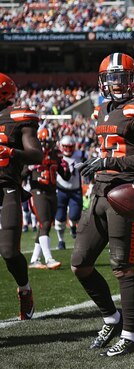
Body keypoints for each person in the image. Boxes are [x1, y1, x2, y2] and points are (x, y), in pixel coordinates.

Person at [71, 53, 134, 357]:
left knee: (122, 268)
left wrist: (110, 161)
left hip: (122, 195)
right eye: (112, 78)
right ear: (103, 82)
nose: (118, 84)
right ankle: (112, 318)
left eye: (123, 78)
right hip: (97, 193)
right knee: (80, 264)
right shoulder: (102, 109)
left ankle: (131, 336)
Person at [0, 72, 43, 320]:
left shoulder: (18, 118)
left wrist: (8, 150)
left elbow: (35, 154)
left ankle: (24, 289)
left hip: (7, 185)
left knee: (8, 250)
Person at [27, 127, 69, 269]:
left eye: (50, 142)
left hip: (52, 192)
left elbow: (65, 176)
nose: (48, 145)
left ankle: (34, 260)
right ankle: (49, 259)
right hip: (38, 192)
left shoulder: (55, 155)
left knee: (45, 226)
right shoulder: (32, 154)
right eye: (46, 142)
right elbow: (20, 175)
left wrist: (66, 167)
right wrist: (28, 167)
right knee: (44, 223)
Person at [55, 135, 86, 250]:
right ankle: (61, 241)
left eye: (70, 147)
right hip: (60, 189)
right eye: (66, 147)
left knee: (74, 215)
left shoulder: (80, 155)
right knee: (60, 217)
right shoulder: (56, 155)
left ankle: (73, 226)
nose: (68, 149)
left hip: (75, 190)